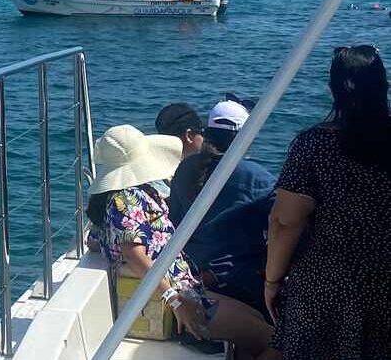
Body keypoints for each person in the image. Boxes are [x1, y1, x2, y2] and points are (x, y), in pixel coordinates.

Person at [87, 124, 276, 357]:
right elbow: (133, 254)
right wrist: (174, 300)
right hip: (180, 297)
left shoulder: (113, 201)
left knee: (257, 322)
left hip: (187, 288)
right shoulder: (127, 199)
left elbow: (96, 241)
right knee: (273, 340)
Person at [266, 44, 391, 358]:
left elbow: (285, 221)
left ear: (334, 90)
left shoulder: (314, 145)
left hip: (324, 284)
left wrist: (272, 280)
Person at [170, 99, 276, 227]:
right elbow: (282, 218)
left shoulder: (185, 167)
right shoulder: (255, 177)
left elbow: (174, 216)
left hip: (190, 247)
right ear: (246, 136)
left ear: (208, 132)